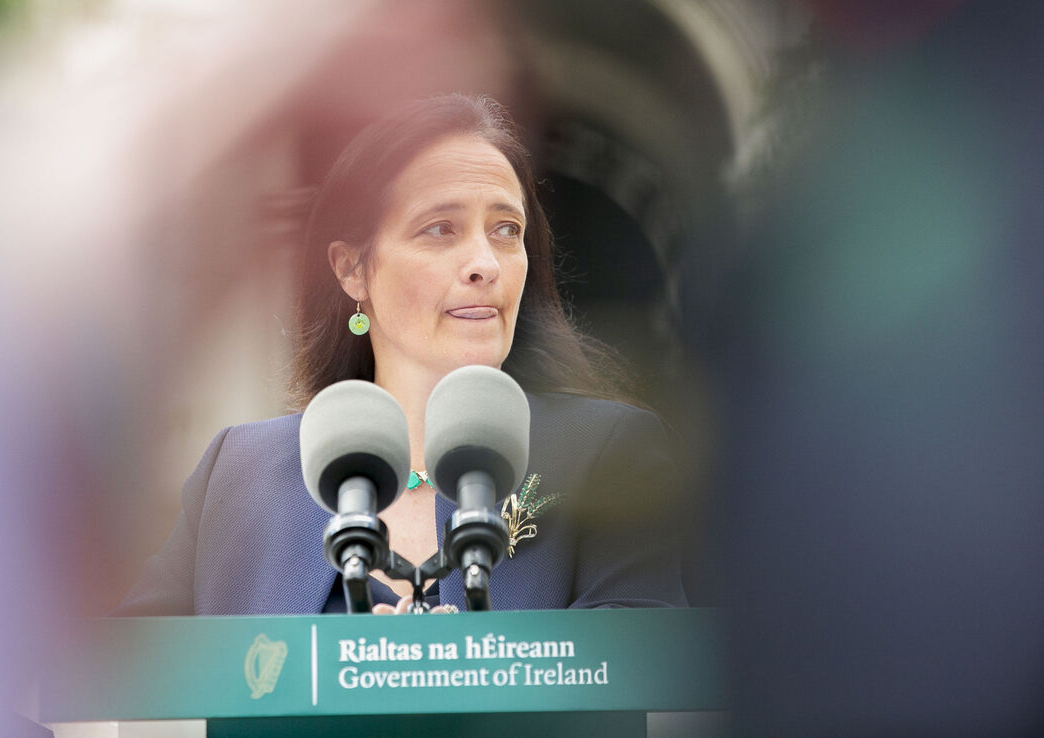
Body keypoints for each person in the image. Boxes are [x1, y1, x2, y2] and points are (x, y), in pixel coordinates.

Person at [115, 94, 686, 615]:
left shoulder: (608, 456)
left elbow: (642, 666)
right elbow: (125, 673)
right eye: (439, 229)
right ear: (353, 270)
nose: (485, 263)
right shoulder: (238, 473)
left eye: (506, 230)